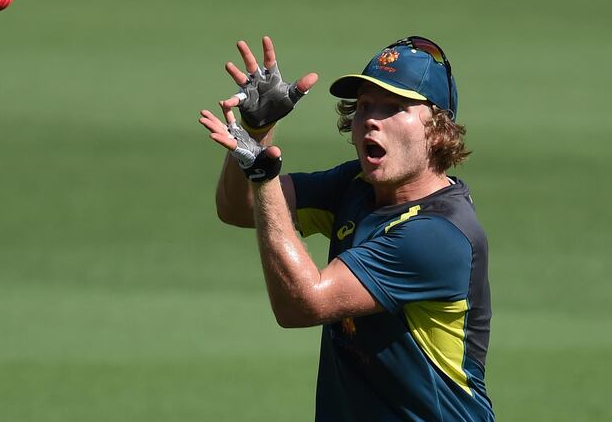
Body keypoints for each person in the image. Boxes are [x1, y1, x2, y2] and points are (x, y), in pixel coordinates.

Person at [198, 36, 494, 421]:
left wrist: (263, 177)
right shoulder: (356, 186)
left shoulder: (437, 235)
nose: (372, 118)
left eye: (395, 107)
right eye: (365, 106)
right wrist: (258, 130)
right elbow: (240, 208)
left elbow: (301, 304)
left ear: (437, 129)